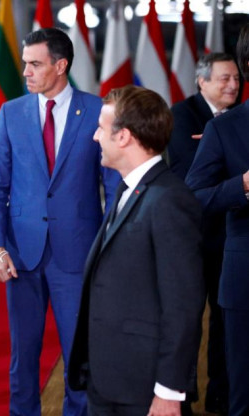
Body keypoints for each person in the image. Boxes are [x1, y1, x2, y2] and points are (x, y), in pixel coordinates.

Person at [0, 28, 119, 416]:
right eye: (25, 63)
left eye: (35, 64)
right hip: (21, 255)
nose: (26, 71)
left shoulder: (97, 111)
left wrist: (106, 250)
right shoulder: (11, 113)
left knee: (79, 354)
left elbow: (113, 188)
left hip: (78, 254)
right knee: (22, 355)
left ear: (61, 66)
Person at [68, 85, 204, 416]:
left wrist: (169, 392)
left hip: (144, 390)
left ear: (124, 136)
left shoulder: (169, 200)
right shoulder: (130, 190)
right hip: (109, 380)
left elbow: (182, 307)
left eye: (101, 128)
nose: (95, 137)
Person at [167, 52, 238, 415]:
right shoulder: (181, 115)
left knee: (226, 323)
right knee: (187, 322)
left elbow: (212, 168)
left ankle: (220, 394)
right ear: (202, 81)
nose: (233, 85)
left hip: (231, 239)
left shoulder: (239, 120)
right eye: (224, 78)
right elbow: (191, 176)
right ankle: (182, 399)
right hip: (192, 241)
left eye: (236, 79)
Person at [185, 23, 249, 416]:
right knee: (243, 394)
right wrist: (240, 186)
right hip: (245, 284)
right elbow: (192, 197)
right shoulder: (224, 127)